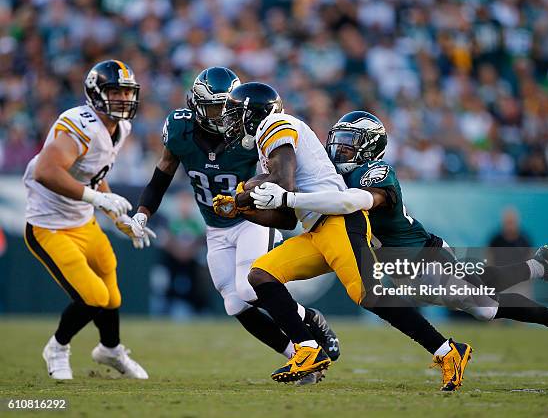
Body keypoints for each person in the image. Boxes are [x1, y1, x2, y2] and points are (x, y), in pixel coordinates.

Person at [252, 110, 548, 376]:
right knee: (482, 293)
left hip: (422, 255)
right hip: (397, 266)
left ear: (369, 146)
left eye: (350, 142)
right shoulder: (332, 173)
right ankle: (540, 266)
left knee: (485, 307)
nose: (340, 148)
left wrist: (286, 197)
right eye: (339, 140)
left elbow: (352, 203)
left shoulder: (377, 173)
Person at [213, 84, 472, 391]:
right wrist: (241, 211)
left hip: (339, 222)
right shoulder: (265, 147)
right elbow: (283, 215)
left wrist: (243, 196)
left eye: (235, 113)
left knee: (367, 294)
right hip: (317, 229)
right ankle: (308, 347)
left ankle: (448, 352)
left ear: (254, 114)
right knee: (261, 275)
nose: (230, 120)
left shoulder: (275, 124)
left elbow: (284, 184)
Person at [128, 68, 339, 384]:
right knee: (234, 303)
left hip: (251, 219)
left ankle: (309, 324)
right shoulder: (180, 130)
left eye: (228, 108)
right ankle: (297, 357)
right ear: (197, 106)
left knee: (248, 286)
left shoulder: (249, 135)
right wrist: (143, 213)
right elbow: (162, 174)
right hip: (215, 227)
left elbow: (277, 176)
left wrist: (249, 197)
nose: (223, 117)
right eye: (215, 108)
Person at [23, 60, 154, 380]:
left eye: (127, 92)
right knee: (93, 296)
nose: (124, 99)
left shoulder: (120, 128)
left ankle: (110, 349)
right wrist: (96, 199)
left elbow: (95, 176)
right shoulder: (80, 123)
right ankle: (57, 346)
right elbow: (46, 171)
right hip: (49, 224)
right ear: (96, 94)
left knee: (112, 290)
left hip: (82, 221)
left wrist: (115, 213)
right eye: (115, 91)